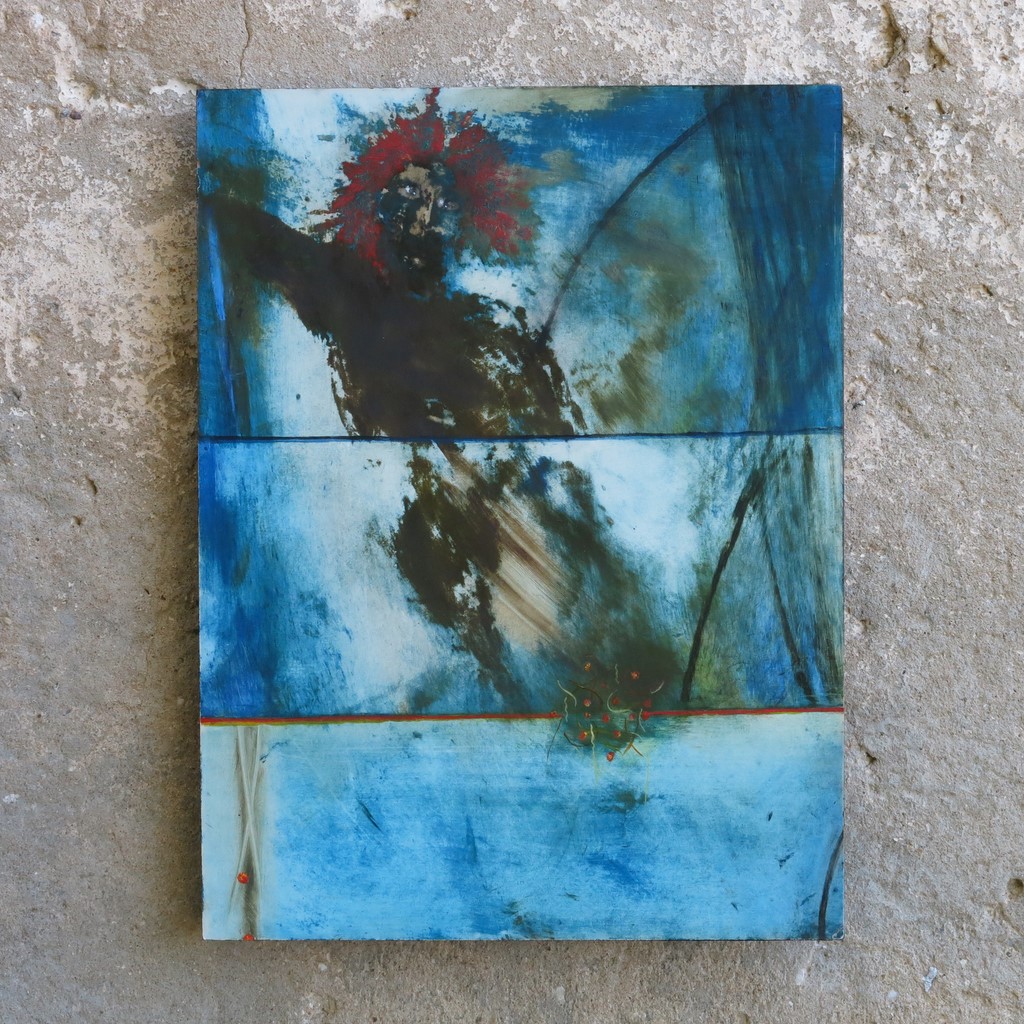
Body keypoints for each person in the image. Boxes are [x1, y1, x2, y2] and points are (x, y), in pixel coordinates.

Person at [204, 90, 678, 712]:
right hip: (413, 525)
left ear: (464, 221)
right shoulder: (350, 297)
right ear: (377, 211)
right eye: (407, 198)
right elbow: (251, 235)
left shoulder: (495, 326)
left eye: (442, 204)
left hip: (513, 521)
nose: (425, 216)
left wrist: (532, 454)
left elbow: (562, 436)